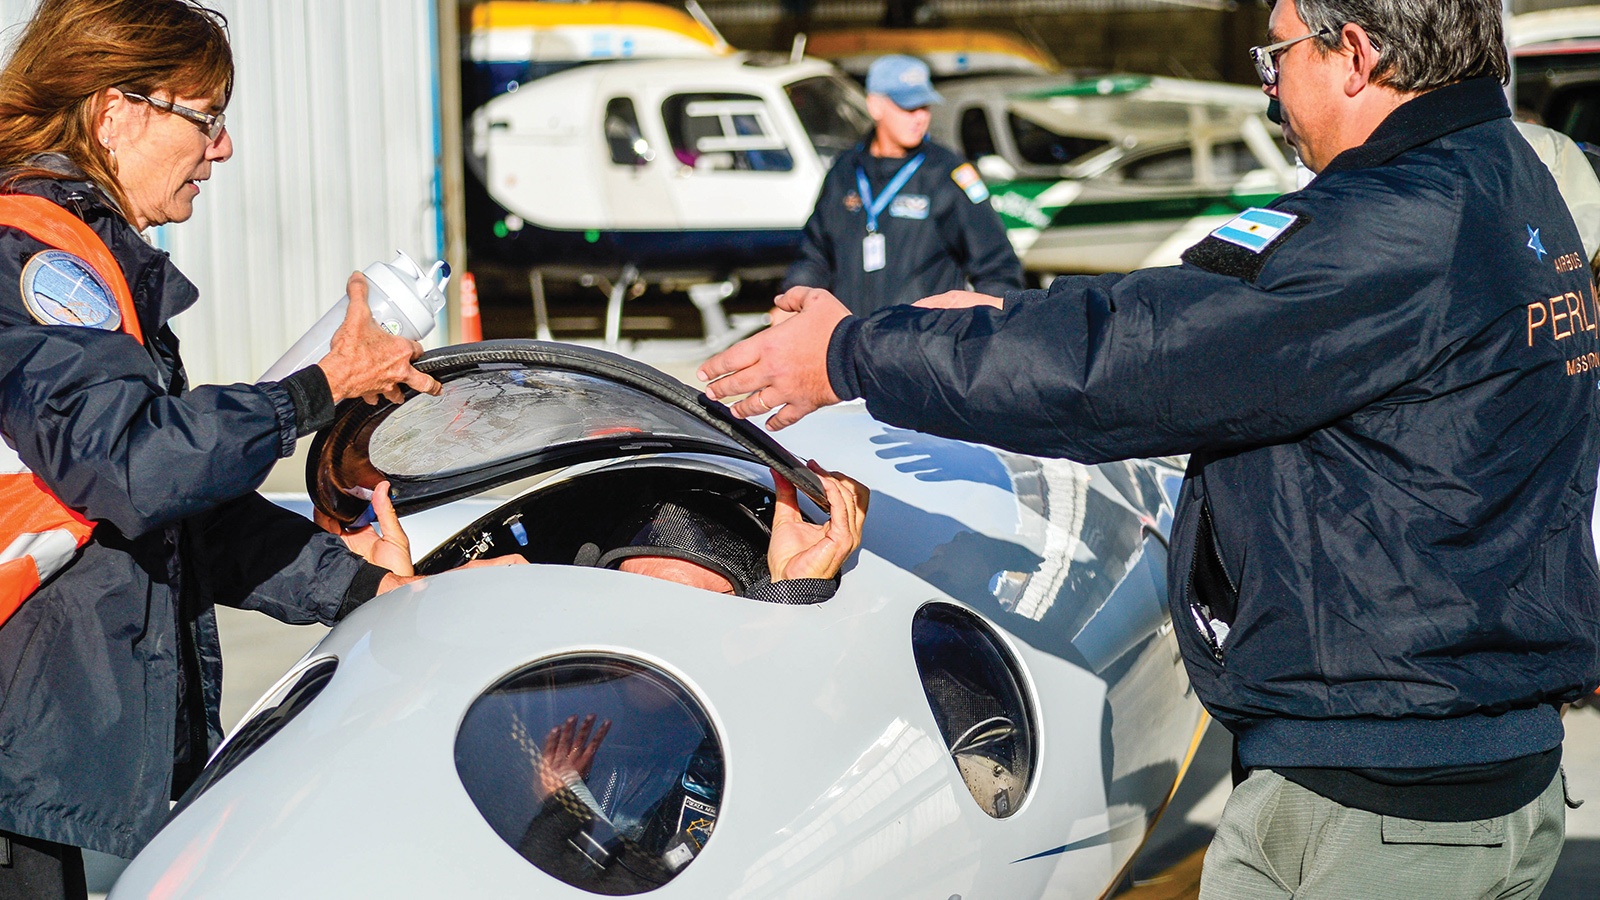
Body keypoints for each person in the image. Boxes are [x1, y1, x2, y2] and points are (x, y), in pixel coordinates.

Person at [696, 0, 1600, 894]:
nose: (1270, 93)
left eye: (1276, 56)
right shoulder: (1511, 177)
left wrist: (849, 355)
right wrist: (1007, 321)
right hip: (1481, 766)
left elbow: (1131, 362)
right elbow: (1185, 319)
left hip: (1377, 805)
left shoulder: (1392, 221)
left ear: (1354, 55)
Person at [0, 2, 519, 895]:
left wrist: (371, 588)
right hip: (23, 774)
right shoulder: (37, 259)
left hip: (59, 766)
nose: (224, 148)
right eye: (207, 119)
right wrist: (317, 390)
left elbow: (184, 518)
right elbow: (134, 468)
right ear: (113, 111)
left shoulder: (99, 264)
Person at [780, 54, 1023, 318]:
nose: (920, 118)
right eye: (908, 107)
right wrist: (793, 300)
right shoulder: (845, 171)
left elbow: (997, 267)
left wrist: (986, 327)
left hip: (920, 346)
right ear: (875, 106)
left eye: (924, 107)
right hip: (853, 342)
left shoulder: (947, 173)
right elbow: (815, 255)